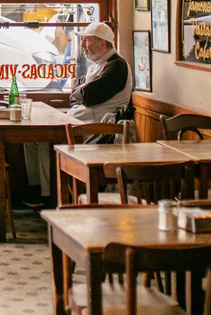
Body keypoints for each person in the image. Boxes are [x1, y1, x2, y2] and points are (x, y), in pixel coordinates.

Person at [24, 22, 133, 207]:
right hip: (80, 121)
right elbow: (75, 94)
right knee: (30, 139)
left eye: (87, 41)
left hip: (97, 130)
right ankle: (37, 187)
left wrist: (82, 92)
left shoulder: (117, 66)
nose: (82, 45)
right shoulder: (96, 65)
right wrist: (81, 92)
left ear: (102, 43)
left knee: (43, 140)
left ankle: (48, 196)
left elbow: (89, 95)